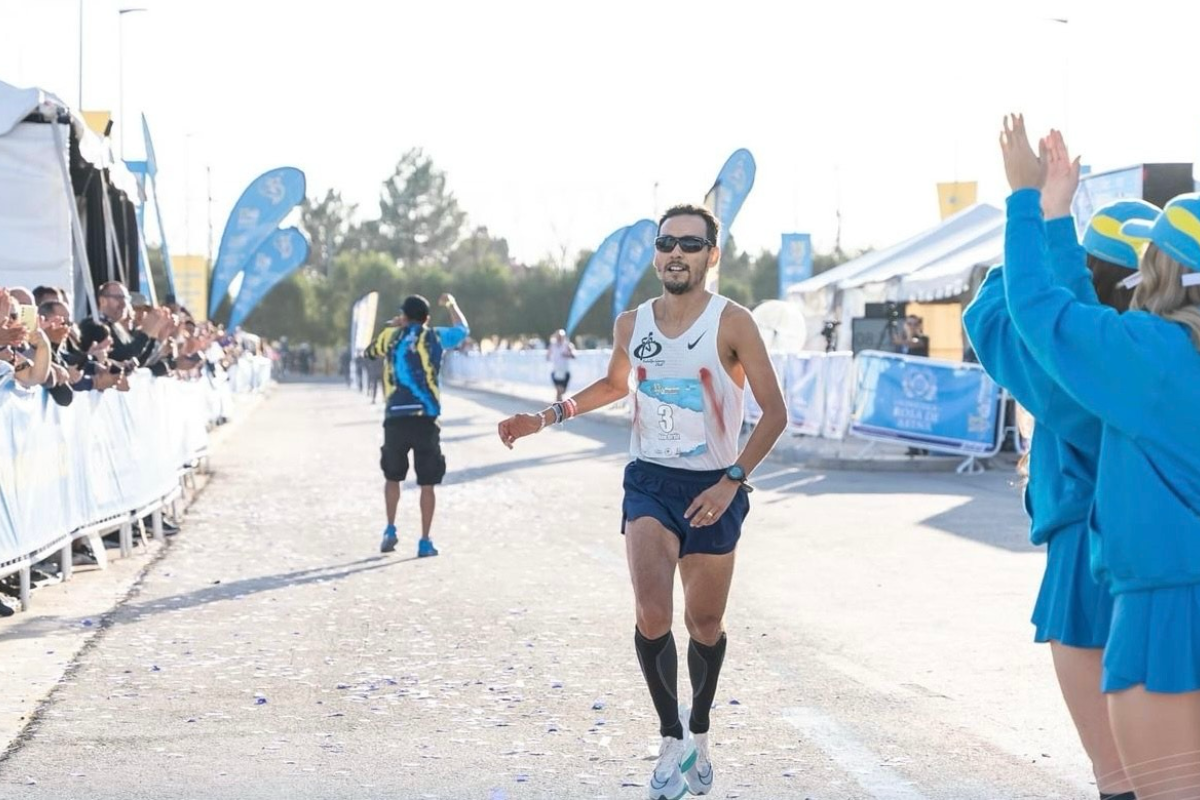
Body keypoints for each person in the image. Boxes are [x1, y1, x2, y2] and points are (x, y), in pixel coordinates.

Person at [497, 204, 786, 800]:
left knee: (703, 624)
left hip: (714, 487)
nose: (676, 253)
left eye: (690, 243)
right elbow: (614, 383)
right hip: (649, 482)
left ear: (712, 255)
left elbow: (775, 414)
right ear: (657, 254)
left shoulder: (734, 323)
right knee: (652, 614)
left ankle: (701, 733)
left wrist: (732, 478)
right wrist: (546, 416)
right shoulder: (634, 323)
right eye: (666, 242)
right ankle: (670, 738)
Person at [1000, 114, 1200, 800]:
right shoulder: (1151, 356)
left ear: (1164, 272)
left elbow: (1039, 312)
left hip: (1167, 610)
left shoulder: (1154, 360)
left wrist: (1036, 206)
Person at [964, 124, 1147, 799]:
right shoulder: (1160, 360)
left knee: (1123, 780)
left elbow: (995, 309)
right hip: (1159, 562)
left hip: (1086, 557)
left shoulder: (1075, 370)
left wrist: (1042, 218)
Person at [365, 293, 469, 558]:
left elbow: (369, 352)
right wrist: (452, 304)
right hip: (426, 418)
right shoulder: (434, 336)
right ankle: (424, 541)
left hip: (395, 417)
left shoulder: (391, 336)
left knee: (392, 477)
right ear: (427, 318)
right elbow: (463, 330)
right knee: (427, 482)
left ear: (404, 316)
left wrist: (395, 328)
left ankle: (390, 529)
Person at [547, 328, 575, 402]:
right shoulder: (552, 345)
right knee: (558, 390)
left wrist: (567, 355)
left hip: (565, 371)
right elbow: (548, 356)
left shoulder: (567, 345)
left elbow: (573, 356)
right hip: (556, 370)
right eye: (558, 336)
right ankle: (558, 408)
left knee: (562, 391)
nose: (559, 338)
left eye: (561, 336)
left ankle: (558, 406)